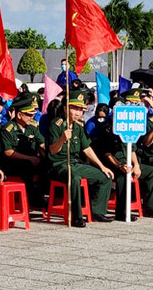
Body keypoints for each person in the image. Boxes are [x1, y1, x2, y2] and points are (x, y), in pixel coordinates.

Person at [46, 91, 115, 227]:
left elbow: (86, 148)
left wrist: (102, 166)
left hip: (75, 163)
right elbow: (52, 151)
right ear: (66, 108)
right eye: (75, 109)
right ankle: (76, 216)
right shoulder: (56, 125)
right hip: (58, 165)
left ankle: (97, 211)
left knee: (105, 176)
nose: (78, 113)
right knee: (75, 178)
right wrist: (62, 139)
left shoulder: (78, 126)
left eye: (80, 110)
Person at [0, 96, 46, 207]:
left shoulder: (32, 127)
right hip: (13, 163)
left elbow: (42, 144)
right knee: (27, 166)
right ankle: (31, 199)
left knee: (48, 165)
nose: (32, 117)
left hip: (32, 159)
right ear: (20, 115)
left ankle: (43, 195)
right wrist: (30, 158)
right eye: (29, 115)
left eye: (33, 114)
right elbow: (9, 152)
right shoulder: (8, 129)